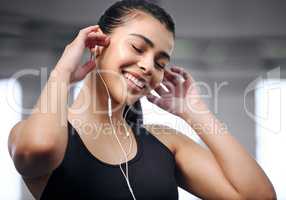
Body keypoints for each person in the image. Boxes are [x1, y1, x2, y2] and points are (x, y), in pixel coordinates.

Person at [8, 0, 276, 199]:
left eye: (160, 63)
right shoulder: (42, 135)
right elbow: (37, 149)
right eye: (137, 47)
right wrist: (63, 72)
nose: (148, 66)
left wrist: (195, 113)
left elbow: (259, 198)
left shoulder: (166, 143)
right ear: (97, 44)